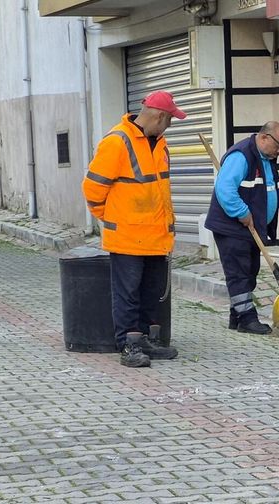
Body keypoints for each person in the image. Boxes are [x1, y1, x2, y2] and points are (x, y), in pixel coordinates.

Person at [82, 90, 183, 368]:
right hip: (127, 235)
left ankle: (146, 341)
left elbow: (160, 190)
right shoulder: (117, 141)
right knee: (127, 294)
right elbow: (92, 188)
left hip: (155, 235)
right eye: (170, 120)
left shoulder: (160, 144)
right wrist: (113, 219)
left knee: (151, 292)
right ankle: (128, 345)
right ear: (160, 116)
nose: (170, 126)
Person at [204, 122, 279, 335]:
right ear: (264, 138)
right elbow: (224, 189)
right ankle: (247, 319)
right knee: (239, 273)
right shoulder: (241, 156)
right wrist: (242, 212)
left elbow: (273, 189)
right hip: (231, 227)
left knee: (249, 271)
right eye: (278, 145)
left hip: (251, 227)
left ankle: (237, 315)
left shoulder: (267, 159)